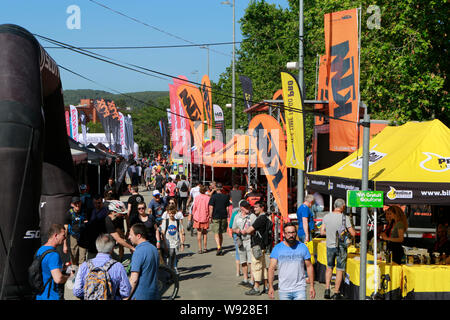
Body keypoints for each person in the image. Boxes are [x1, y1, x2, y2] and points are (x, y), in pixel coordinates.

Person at [73, 234, 131, 300]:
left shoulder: (85, 265)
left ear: (97, 247)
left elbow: (76, 292)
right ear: (112, 249)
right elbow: (126, 292)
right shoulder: (118, 266)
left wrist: (90, 292)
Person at [268, 222, 315, 300]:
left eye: (293, 232)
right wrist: (270, 287)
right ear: (284, 234)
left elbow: (309, 266)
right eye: (288, 233)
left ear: (296, 233)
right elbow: (271, 268)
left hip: (300, 288)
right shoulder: (277, 248)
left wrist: (312, 286)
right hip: (284, 289)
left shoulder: (303, 247)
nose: (291, 235)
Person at [320, 198, 356, 300]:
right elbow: (353, 233)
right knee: (340, 270)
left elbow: (322, 232)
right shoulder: (345, 218)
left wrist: (331, 234)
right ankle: (336, 292)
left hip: (330, 246)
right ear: (342, 206)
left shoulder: (326, 217)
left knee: (329, 267)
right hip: (341, 247)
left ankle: (327, 289)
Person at [241, 201, 270, 295]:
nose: (254, 209)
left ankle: (256, 287)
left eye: (257, 207)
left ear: (262, 207)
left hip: (257, 245)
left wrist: (245, 230)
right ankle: (266, 286)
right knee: (263, 267)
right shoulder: (266, 218)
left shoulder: (260, 219)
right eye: (254, 207)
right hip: (263, 245)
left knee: (256, 266)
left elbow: (249, 230)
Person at [35, 224, 70, 300]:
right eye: (63, 235)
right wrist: (69, 277)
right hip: (51, 296)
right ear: (56, 235)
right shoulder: (53, 255)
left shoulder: (40, 250)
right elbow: (58, 279)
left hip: (40, 295)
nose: (65, 238)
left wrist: (61, 268)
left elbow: (45, 268)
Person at [127, 223, 160, 300]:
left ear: (138, 236)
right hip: (154, 294)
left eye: (131, 235)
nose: (129, 237)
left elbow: (133, 279)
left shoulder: (138, 252)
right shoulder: (154, 249)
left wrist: (126, 297)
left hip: (140, 295)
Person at [232, 200, 256, 288]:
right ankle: (245, 278)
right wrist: (237, 230)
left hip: (250, 240)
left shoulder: (252, 216)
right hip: (241, 241)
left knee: (251, 261)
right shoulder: (237, 216)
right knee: (243, 261)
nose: (248, 208)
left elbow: (256, 228)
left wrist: (248, 231)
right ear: (241, 208)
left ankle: (252, 280)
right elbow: (233, 228)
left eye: (249, 207)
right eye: (246, 207)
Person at [64, 196, 88, 279]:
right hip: (73, 237)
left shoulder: (84, 212)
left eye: (78, 202)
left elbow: (87, 223)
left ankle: (80, 277)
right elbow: (65, 229)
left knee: (82, 257)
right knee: (73, 256)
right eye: (75, 203)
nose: (77, 205)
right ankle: (73, 274)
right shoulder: (69, 214)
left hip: (83, 237)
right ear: (72, 204)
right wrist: (64, 244)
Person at [209, 182, 232, 256]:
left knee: (216, 233)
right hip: (223, 216)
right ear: (222, 188)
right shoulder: (226, 197)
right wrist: (227, 215)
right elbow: (227, 208)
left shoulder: (213, 197)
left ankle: (218, 247)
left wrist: (210, 216)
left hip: (215, 216)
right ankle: (220, 246)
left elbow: (211, 207)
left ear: (216, 188)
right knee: (221, 233)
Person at [160, 205, 185, 273]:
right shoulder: (166, 222)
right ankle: (171, 271)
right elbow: (162, 233)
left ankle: (173, 269)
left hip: (176, 243)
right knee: (170, 257)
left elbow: (180, 232)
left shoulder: (177, 222)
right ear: (168, 213)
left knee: (175, 256)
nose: (171, 215)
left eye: (173, 213)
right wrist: (165, 244)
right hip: (168, 243)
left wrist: (182, 243)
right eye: (170, 213)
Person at [86, 194, 108, 259]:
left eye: (99, 203)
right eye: (95, 203)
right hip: (92, 239)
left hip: (102, 237)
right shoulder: (91, 211)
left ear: (102, 202)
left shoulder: (106, 211)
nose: (97, 205)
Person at [191, 185, 211, 253]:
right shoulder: (208, 198)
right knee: (205, 233)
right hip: (205, 216)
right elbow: (209, 208)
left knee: (199, 233)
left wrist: (193, 215)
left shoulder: (197, 197)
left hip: (197, 217)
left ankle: (200, 248)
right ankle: (205, 248)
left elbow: (194, 207)